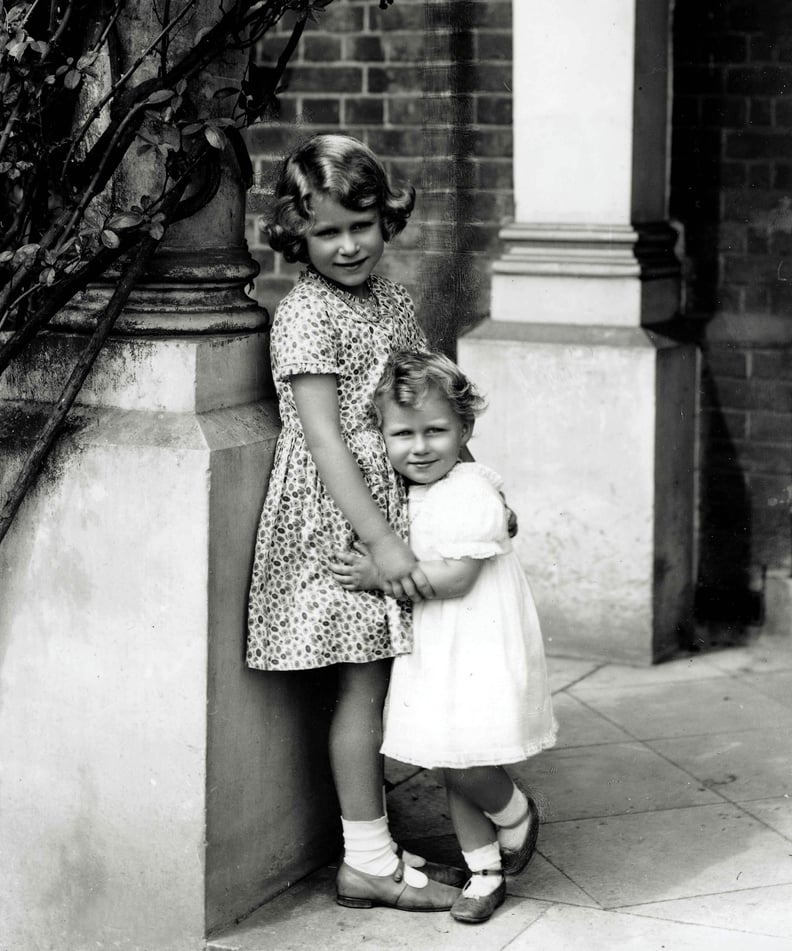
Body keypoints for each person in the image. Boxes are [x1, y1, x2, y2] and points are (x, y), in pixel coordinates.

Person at [246, 134, 465, 912]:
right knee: (363, 687)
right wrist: (378, 538)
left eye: (360, 225)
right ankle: (367, 857)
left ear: (385, 220)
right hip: (340, 521)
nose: (346, 245)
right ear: (295, 235)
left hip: (398, 502)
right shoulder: (305, 314)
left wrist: (468, 480)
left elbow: (427, 404)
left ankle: (447, 814)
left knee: (407, 670)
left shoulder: (395, 302)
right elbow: (323, 436)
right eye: (326, 230)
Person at [331, 351, 558, 925]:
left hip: (476, 643)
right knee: (448, 754)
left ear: (465, 431)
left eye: (437, 431)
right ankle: (483, 873)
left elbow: (457, 578)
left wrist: (378, 575)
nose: (421, 447)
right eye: (403, 434)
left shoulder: (470, 491)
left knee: (467, 758)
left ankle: (513, 812)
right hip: (438, 646)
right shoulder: (409, 491)